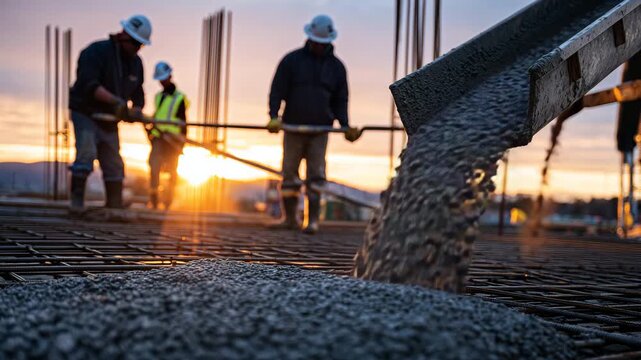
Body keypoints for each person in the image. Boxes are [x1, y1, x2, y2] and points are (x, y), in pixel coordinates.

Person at [268, 14, 360, 234]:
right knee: (289, 173)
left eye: (323, 43)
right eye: (317, 42)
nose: (319, 46)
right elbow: (277, 89)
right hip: (293, 127)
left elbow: (341, 99)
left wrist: (345, 124)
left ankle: (313, 221)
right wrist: (273, 115)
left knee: (316, 175)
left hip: (320, 130)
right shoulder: (292, 61)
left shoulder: (336, 68)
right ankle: (289, 219)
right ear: (309, 38)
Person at [68, 15, 152, 215]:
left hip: (109, 119)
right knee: (86, 152)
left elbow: (138, 93)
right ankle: (77, 203)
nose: (137, 48)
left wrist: (136, 110)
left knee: (113, 161)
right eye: (135, 44)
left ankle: (114, 205)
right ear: (124, 35)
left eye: (140, 45)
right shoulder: (96, 52)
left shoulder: (135, 63)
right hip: (86, 113)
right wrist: (117, 103)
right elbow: (90, 85)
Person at [146, 61, 188, 209]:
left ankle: (168, 201)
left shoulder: (179, 98)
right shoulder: (158, 96)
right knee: (154, 166)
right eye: (160, 79)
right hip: (159, 138)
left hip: (173, 140)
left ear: (170, 76)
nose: (162, 82)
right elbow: (159, 114)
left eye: (164, 78)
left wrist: (181, 142)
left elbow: (183, 122)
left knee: (171, 170)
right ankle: (154, 199)